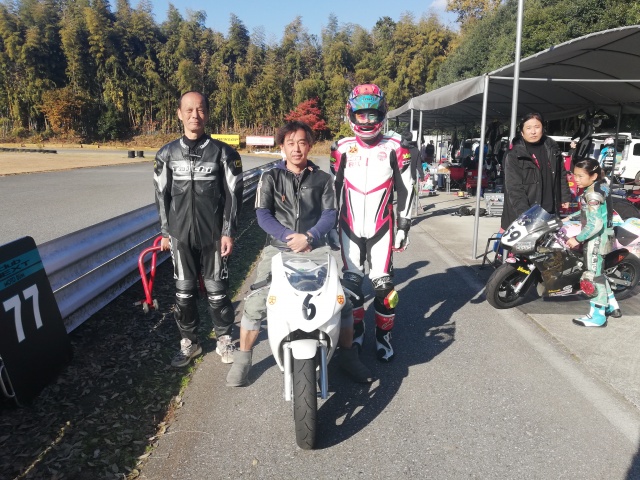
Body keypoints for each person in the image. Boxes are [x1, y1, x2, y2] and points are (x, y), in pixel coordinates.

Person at [226, 120, 372, 386]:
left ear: (309, 146)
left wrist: (309, 236)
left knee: (342, 301)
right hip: (278, 249)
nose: (296, 149)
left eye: (302, 143)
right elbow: (263, 214)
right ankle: (243, 360)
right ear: (282, 146)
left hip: (316, 248)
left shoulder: (323, 179)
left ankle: (348, 356)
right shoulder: (270, 177)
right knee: (257, 301)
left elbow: (329, 214)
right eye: (290, 143)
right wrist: (288, 237)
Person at [154, 91, 244, 368]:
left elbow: (233, 196)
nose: (195, 115)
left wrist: (228, 232)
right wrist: (166, 232)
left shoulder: (225, 153)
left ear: (207, 113)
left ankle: (224, 339)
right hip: (180, 237)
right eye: (189, 110)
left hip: (214, 236)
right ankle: (190, 343)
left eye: (201, 109)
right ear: (179, 114)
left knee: (217, 292)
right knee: (183, 293)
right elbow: (161, 196)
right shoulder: (166, 154)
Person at [331, 84, 414, 362]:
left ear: (382, 114)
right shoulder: (341, 147)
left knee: (384, 289)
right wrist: (330, 224)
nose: (367, 121)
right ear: (350, 114)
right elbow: (332, 189)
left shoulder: (395, 146)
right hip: (349, 227)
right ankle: (357, 332)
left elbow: (407, 188)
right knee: (351, 288)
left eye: (372, 114)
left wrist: (404, 225)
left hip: (383, 229)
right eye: (361, 114)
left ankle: (383, 336)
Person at [566, 158, 620, 327]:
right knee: (599, 273)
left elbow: (595, 224)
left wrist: (577, 238)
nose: (576, 179)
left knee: (592, 276)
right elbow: (595, 212)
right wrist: (569, 217)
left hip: (596, 240)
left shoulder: (592, 194)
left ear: (593, 175)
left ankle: (597, 316)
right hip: (606, 236)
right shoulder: (602, 185)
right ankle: (612, 305)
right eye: (574, 175)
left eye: (580, 176)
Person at [501, 112, 572, 231]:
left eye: (537, 127)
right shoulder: (514, 155)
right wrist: (526, 216)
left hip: (549, 210)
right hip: (524, 213)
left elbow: (561, 174)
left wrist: (564, 197)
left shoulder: (553, 149)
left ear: (543, 129)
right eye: (528, 128)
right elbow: (514, 188)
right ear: (522, 132)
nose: (533, 132)